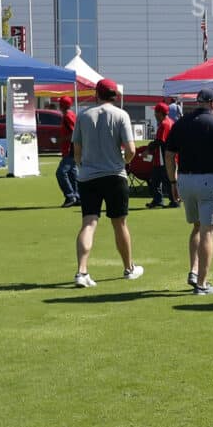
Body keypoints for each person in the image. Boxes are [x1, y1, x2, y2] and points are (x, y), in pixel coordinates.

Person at [165, 87, 213, 295]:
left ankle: (194, 270)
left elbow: (169, 154)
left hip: (185, 180)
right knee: (208, 230)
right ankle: (202, 284)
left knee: (197, 227)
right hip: (209, 180)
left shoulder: (181, 123)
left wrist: (172, 182)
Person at [71, 79, 142, 288]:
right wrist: (124, 162)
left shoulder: (83, 115)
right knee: (119, 223)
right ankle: (129, 268)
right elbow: (131, 150)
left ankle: (82, 271)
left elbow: (76, 150)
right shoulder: (121, 115)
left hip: (88, 176)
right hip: (114, 175)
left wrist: (82, 165)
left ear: (97, 94)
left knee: (89, 223)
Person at [146, 102, 178, 209]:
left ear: (160, 113)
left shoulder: (165, 124)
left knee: (164, 180)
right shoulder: (169, 122)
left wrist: (148, 149)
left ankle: (173, 200)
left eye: (155, 112)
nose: (154, 114)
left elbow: (160, 141)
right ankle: (159, 200)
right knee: (158, 180)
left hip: (163, 158)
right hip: (164, 157)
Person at [54, 96, 80, 206]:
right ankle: (78, 197)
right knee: (72, 174)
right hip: (73, 149)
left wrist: (60, 139)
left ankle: (70, 196)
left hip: (70, 149)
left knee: (61, 173)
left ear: (62, 105)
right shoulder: (72, 114)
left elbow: (73, 134)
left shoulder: (67, 116)